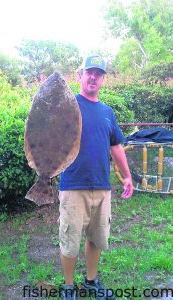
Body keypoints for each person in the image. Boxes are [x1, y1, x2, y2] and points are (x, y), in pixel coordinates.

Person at [58, 54, 133, 300]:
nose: (93, 77)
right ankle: (69, 286)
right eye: (89, 72)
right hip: (73, 186)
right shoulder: (68, 106)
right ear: (80, 76)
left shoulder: (107, 112)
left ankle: (90, 281)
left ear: (102, 80)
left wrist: (127, 176)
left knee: (96, 238)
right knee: (70, 240)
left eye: (98, 74)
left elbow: (116, 147)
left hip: (102, 186)